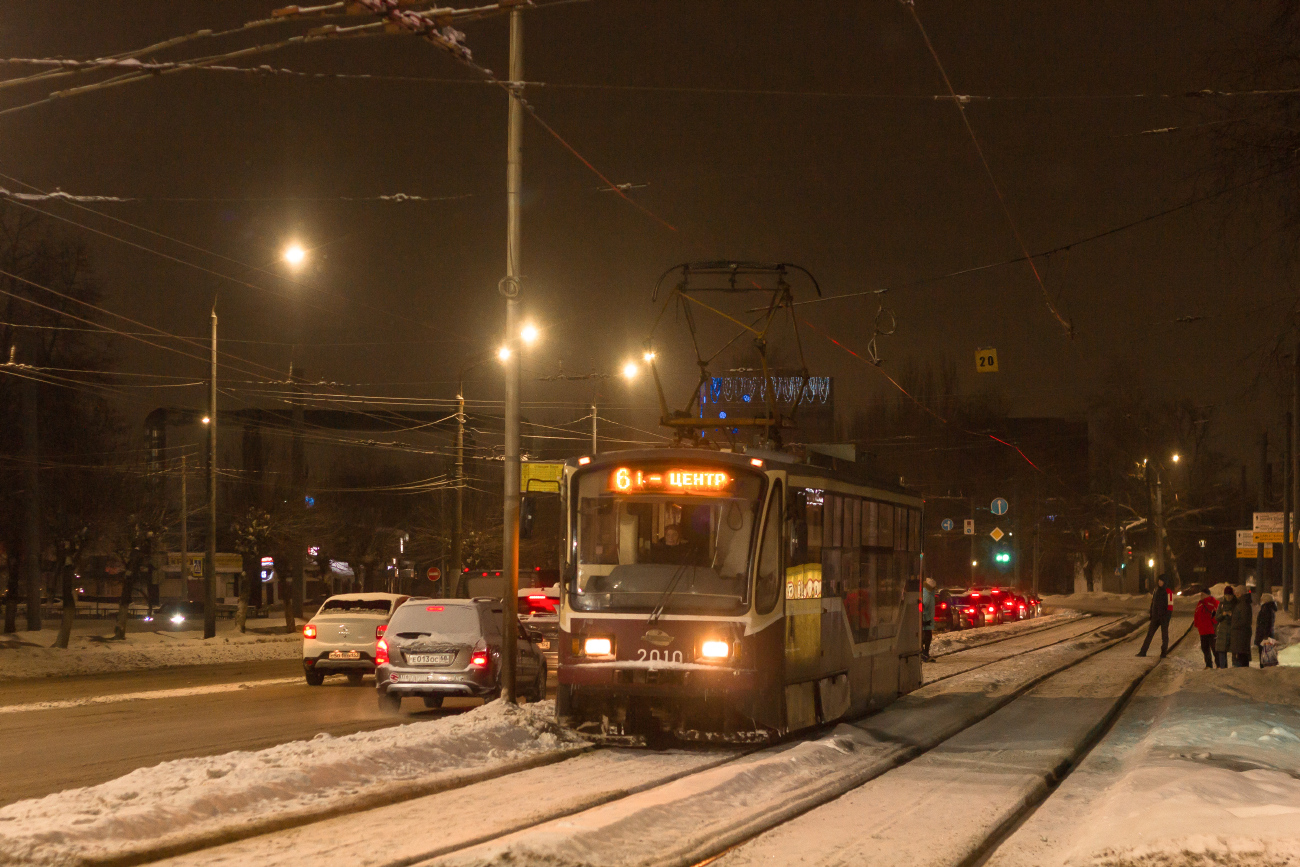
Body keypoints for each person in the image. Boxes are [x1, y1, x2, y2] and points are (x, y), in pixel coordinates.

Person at [1136, 573, 1174, 658]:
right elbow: (1153, 603)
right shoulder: (1156, 590)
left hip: (1163, 618)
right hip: (1155, 617)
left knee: (1164, 636)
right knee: (1149, 634)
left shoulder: (1168, 592)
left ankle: (1163, 653)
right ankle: (1143, 651)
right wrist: (1151, 613)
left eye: (1161, 581)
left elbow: (1170, 606)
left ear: (1165, 582)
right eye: (1159, 580)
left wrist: (1167, 617)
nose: (1159, 582)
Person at [1192, 587, 1219, 669]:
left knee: (1214, 648)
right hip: (1202, 631)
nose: (1201, 595)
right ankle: (1208, 665)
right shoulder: (1200, 603)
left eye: (1203, 594)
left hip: (1211, 630)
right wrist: (1197, 624)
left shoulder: (1213, 602)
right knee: (1205, 648)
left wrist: (1213, 622)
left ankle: (1219, 664)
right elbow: (1196, 614)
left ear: (1207, 595)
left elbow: (1216, 614)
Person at [1230, 583, 1254, 667]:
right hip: (1240, 635)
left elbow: (1244, 621)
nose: (1236, 595)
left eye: (1238, 593)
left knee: (1240, 659)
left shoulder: (1243, 605)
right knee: (1241, 657)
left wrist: (1234, 625)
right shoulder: (1241, 603)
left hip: (1240, 635)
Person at [1213, 584, 1235, 669]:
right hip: (1222, 632)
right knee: (1222, 651)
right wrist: (1223, 614)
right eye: (1226, 595)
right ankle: (1223, 669)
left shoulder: (1235, 604)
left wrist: (1231, 615)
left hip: (1232, 631)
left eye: (1230, 595)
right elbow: (1217, 617)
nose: (1228, 597)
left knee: (1234, 651)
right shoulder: (1221, 604)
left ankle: (1234, 670)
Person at [1255, 592, 1277, 668]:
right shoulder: (1268, 608)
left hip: (1264, 636)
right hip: (1266, 635)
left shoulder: (1267, 609)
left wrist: (1265, 637)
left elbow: (1267, 624)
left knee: (1264, 655)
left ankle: (1264, 670)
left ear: (1266, 600)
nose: (1261, 599)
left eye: (1262, 598)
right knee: (1266, 654)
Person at [920, 577, 936, 662]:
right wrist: (925, 618)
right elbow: (924, 605)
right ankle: (924, 653)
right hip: (926, 618)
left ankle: (924, 653)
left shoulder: (928, 593)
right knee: (927, 636)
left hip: (927, 617)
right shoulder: (927, 594)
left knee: (925, 635)